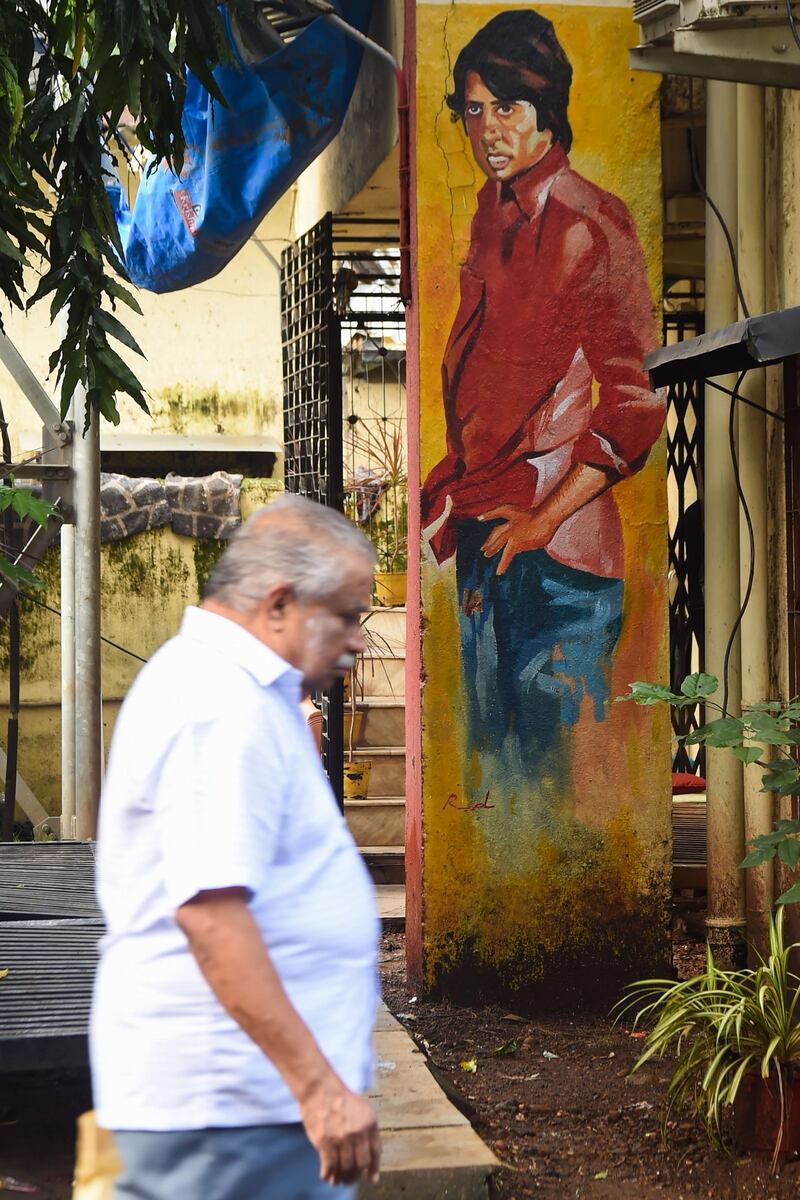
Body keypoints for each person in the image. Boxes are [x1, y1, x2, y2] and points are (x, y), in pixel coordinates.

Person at [90, 494, 381, 1200]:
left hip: (247, 1111)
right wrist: (320, 1091)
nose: (359, 641)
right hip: (231, 1111)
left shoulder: (248, 694)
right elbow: (211, 914)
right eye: (345, 616)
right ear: (279, 604)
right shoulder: (218, 703)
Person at [421, 9, 666, 771]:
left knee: (547, 790)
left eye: (508, 107)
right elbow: (483, 383)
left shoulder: (592, 223)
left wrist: (539, 520)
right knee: (494, 782)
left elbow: (634, 406)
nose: (488, 129)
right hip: (486, 539)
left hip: (560, 563)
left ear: (545, 107)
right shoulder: (492, 215)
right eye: (473, 109)